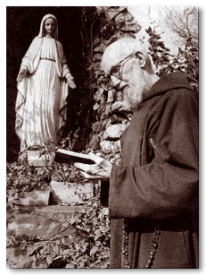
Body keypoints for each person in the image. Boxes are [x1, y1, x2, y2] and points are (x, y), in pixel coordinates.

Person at [74, 37, 198, 268]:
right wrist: (107, 175)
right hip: (137, 234)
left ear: (139, 59)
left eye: (116, 70)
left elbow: (188, 177)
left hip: (167, 244)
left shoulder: (179, 100)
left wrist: (116, 176)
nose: (113, 82)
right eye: (108, 76)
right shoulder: (146, 107)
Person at [15, 14, 76, 156]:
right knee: (36, 108)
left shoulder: (58, 45)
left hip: (53, 78)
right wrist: (24, 69)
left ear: (56, 27)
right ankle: (33, 146)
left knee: (50, 108)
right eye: (47, 24)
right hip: (37, 76)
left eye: (52, 25)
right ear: (43, 25)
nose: (50, 27)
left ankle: (49, 145)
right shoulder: (37, 41)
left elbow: (63, 64)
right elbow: (28, 58)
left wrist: (69, 76)